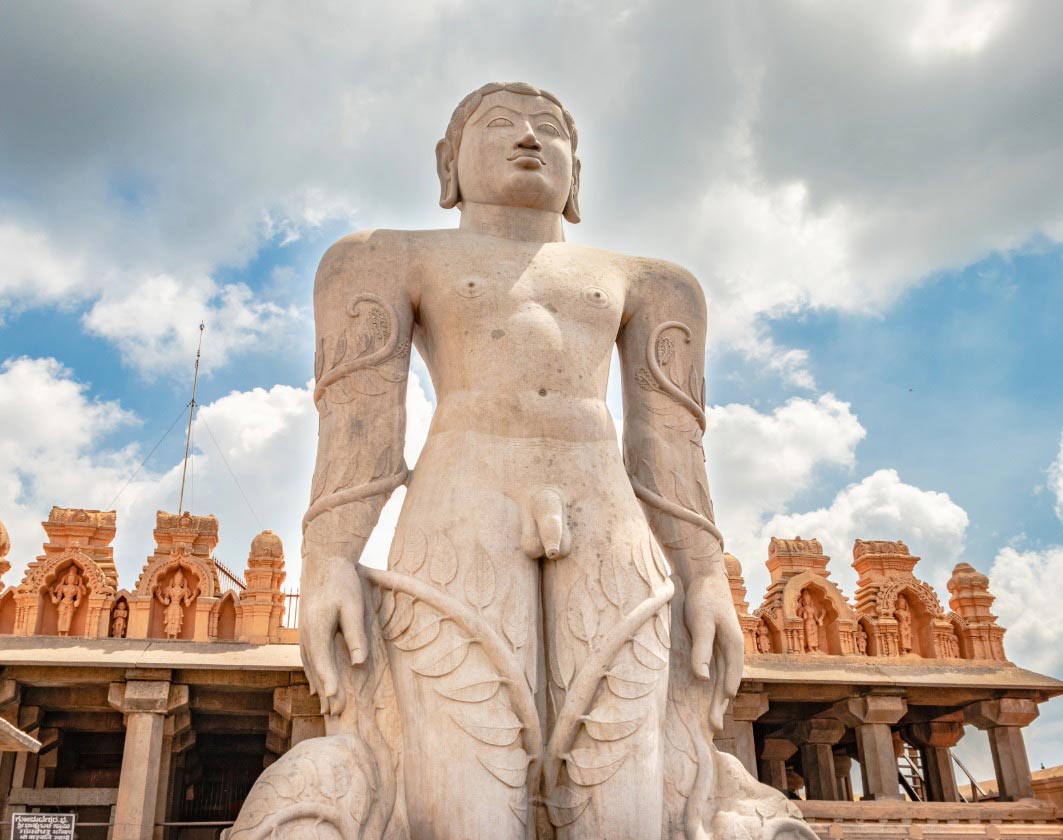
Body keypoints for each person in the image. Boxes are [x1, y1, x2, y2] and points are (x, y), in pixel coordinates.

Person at [232, 81, 812, 840]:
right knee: (462, 777)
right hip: (461, 508)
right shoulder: (386, 259)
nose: (530, 139)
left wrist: (705, 576)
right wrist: (330, 561)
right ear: (450, 164)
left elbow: (669, 443)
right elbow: (360, 418)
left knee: (622, 776)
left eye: (550, 129)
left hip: (607, 526)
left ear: (580, 174)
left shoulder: (653, 283)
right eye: (500, 124)